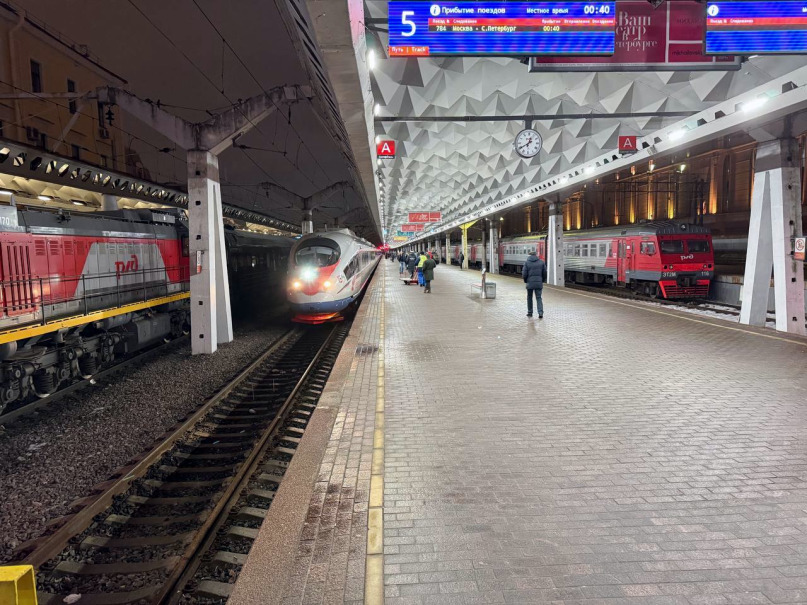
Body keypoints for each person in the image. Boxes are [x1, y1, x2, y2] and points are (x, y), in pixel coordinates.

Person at [522, 249, 547, 318]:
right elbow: (545, 273)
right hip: (538, 283)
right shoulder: (541, 262)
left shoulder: (526, 263)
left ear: (529, 255)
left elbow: (524, 274)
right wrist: (542, 280)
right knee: (539, 297)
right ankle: (540, 313)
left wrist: (526, 281)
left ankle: (530, 312)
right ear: (536, 255)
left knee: (529, 297)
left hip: (530, 283)